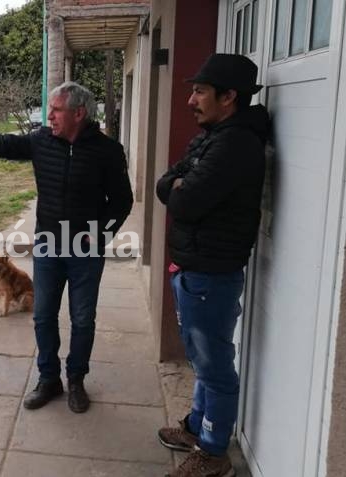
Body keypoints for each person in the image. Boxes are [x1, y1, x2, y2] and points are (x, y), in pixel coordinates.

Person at [0, 81, 133, 413]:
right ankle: (49, 379)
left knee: (82, 318)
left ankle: (76, 379)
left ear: (79, 113)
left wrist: (101, 232)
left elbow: (122, 201)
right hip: (48, 246)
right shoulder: (41, 141)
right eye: (49, 109)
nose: (49, 116)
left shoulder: (108, 151)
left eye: (56, 110)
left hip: (85, 252)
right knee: (43, 316)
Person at [155, 54, 269, 476]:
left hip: (210, 273)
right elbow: (166, 182)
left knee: (214, 365)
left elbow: (183, 199)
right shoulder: (213, 137)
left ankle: (214, 454)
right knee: (202, 359)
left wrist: (182, 185)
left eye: (200, 91)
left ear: (229, 97)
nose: (190, 100)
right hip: (195, 268)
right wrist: (181, 182)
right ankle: (196, 428)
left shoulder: (235, 144)